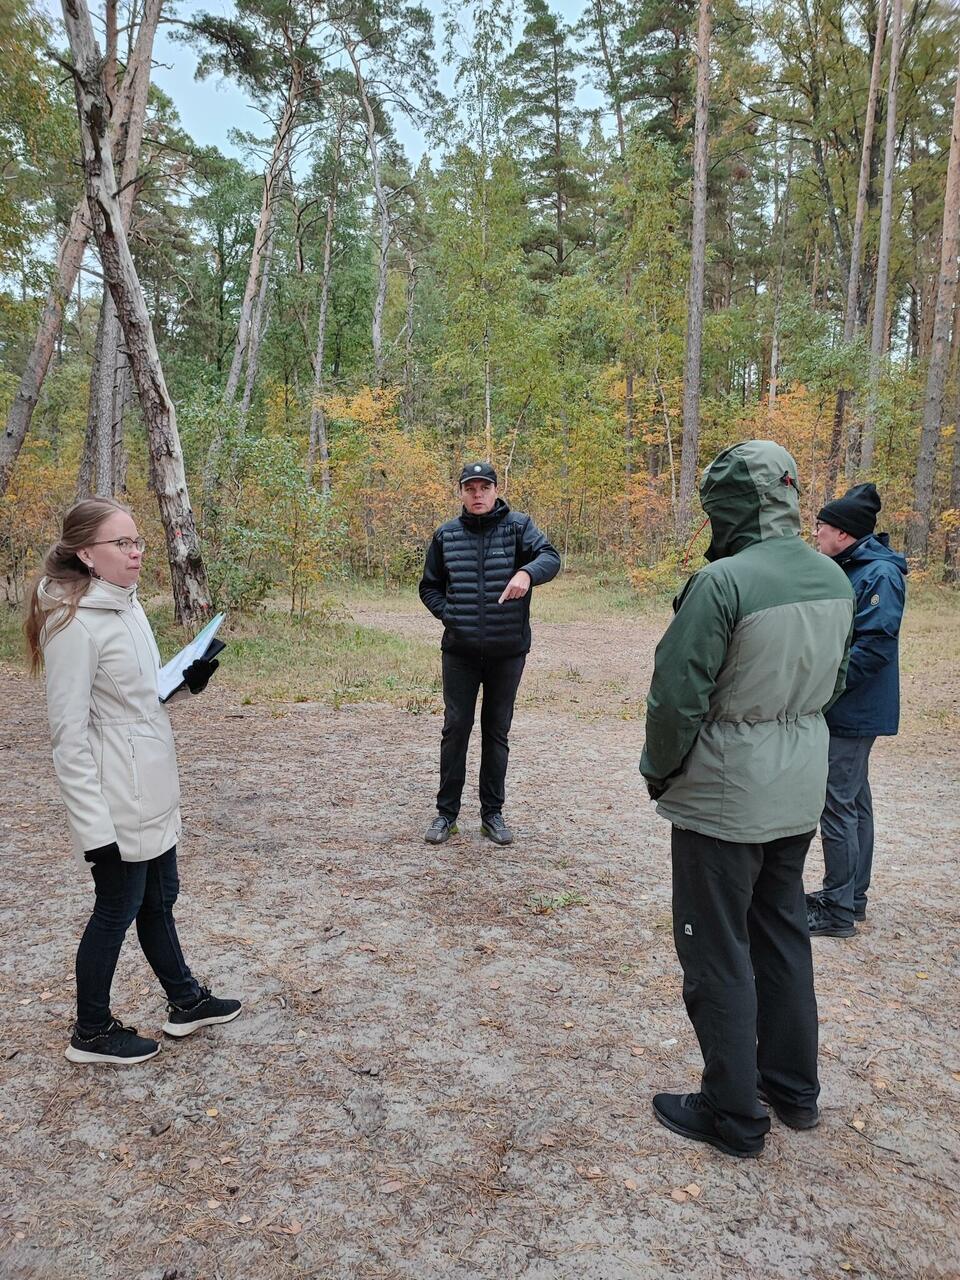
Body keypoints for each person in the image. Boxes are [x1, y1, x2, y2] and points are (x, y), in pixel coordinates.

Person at [639, 441, 855, 1158]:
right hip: (798, 790)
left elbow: (677, 696)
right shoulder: (833, 578)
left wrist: (660, 772)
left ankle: (733, 1113)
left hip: (726, 798)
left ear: (725, 504)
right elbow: (838, 681)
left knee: (716, 949)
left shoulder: (722, 582)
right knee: (783, 935)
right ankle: (793, 1090)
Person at [25, 498, 241, 1066]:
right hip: (117, 796)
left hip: (152, 782)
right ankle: (91, 1032)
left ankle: (185, 1001)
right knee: (117, 908)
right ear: (86, 554)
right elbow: (68, 737)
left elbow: (137, 698)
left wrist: (187, 680)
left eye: (137, 539)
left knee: (160, 900)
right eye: (121, 543)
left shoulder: (125, 605)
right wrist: (94, 830)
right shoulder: (73, 624)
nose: (136, 550)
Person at [418, 461, 561, 846]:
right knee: (456, 729)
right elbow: (429, 586)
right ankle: (446, 814)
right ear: (461, 493)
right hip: (460, 653)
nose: (477, 494)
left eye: (484, 487)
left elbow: (551, 557)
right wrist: (452, 616)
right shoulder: (446, 535)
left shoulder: (519, 527)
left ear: (496, 489)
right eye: (470, 488)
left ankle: (492, 814)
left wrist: (527, 573)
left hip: (507, 651)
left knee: (496, 732)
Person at [806, 483, 908, 938]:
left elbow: (875, 645)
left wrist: (828, 689)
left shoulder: (879, 575)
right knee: (854, 801)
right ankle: (852, 896)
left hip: (853, 708)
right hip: (851, 706)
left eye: (821, 528)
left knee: (837, 805)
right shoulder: (852, 566)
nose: (816, 535)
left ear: (843, 534)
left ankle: (837, 909)